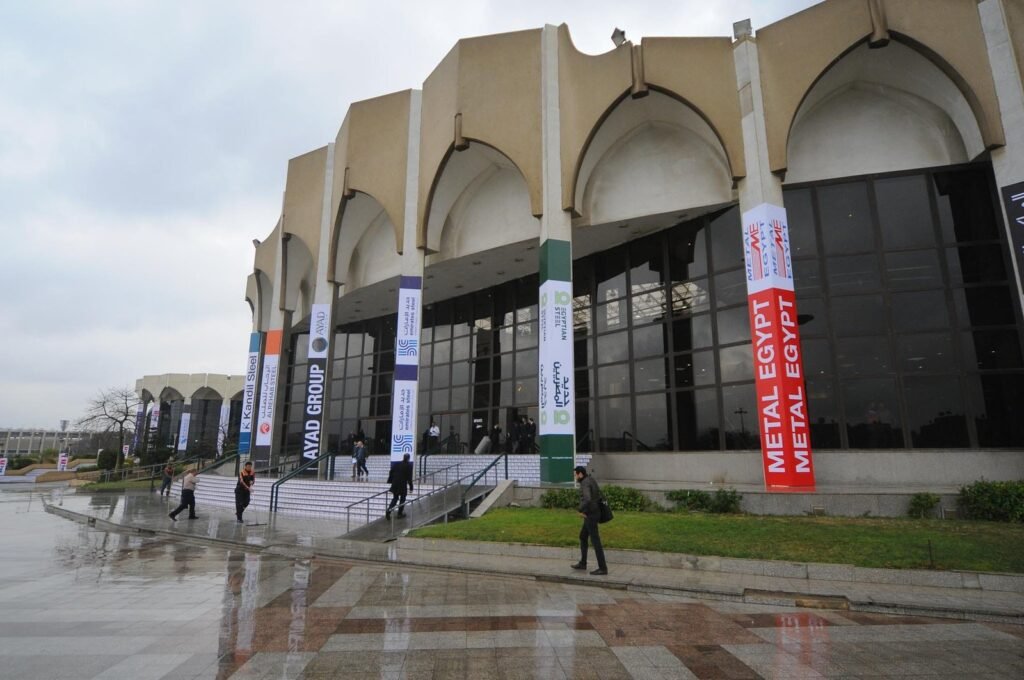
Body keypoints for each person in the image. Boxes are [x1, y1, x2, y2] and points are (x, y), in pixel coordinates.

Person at [571, 465, 608, 575]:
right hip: (594, 512)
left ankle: (603, 568)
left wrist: (580, 510)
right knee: (583, 536)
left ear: (580, 474)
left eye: (575, 475)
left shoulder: (585, 483)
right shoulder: (590, 479)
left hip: (591, 515)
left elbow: (587, 499)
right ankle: (583, 563)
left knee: (595, 541)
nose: (575, 477)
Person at [385, 453, 414, 520]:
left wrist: (391, 481)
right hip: (402, 485)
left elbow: (391, 472)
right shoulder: (409, 466)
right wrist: (411, 487)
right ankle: (399, 513)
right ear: (408, 458)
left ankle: (388, 510)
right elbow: (409, 478)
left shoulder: (397, 464)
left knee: (395, 498)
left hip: (395, 484)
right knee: (402, 499)